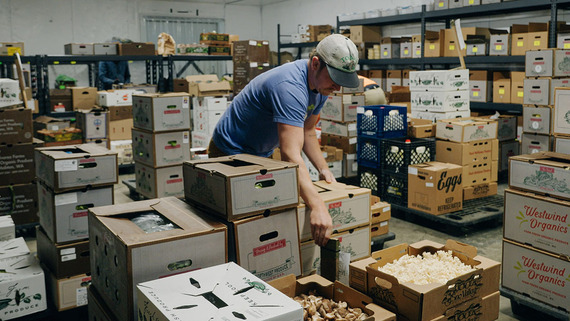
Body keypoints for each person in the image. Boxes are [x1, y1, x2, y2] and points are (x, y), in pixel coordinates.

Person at [209, 34, 360, 247]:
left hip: (260, 154)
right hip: (228, 151)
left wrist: (323, 168)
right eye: (335, 79)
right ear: (316, 63)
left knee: (261, 214)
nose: (338, 88)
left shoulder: (321, 86)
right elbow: (290, 153)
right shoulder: (290, 86)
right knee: (234, 226)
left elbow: (308, 131)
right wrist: (317, 205)